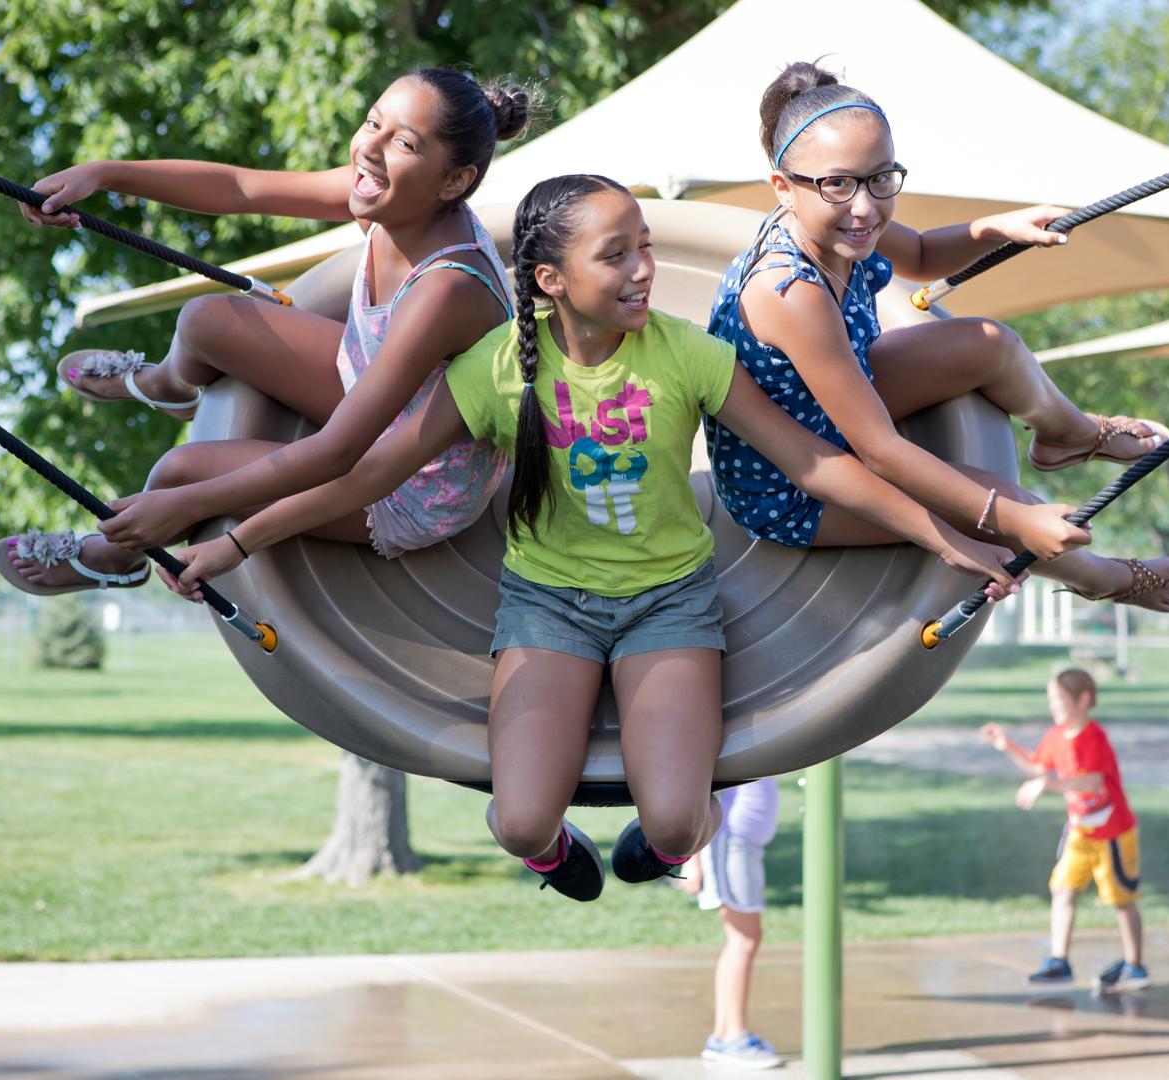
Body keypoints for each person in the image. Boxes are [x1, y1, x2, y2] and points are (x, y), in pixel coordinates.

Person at [157, 174, 1022, 901]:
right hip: (547, 607)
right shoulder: (495, 367)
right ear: (548, 280)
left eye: (645, 245)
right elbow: (363, 477)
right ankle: (551, 851)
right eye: (617, 255)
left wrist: (941, 534)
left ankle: (680, 840)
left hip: (670, 604)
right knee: (521, 819)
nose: (645, 269)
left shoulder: (684, 352)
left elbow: (816, 464)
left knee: (676, 821)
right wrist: (234, 547)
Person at [0, 69, 532, 592]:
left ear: (455, 180)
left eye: (404, 144)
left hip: (408, 483)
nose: (371, 147)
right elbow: (241, 188)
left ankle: (111, 559)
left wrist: (191, 505)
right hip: (373, 389)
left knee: (182, 472)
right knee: (205, 319)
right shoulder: (389, 197)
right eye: (373, 123)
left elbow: (340, 453)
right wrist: (105, 173)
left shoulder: (446, 288)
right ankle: (169, 388)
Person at [706, 61, 1169, 614]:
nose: (865, 206)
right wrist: (1013, 521)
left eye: (881, 179)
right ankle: (1105, 578)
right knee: (1010, 502)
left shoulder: (843, 216)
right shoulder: (790, 291)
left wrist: (998, 228)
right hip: (794, 486)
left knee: (990, 341)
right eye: (838, 184)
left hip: (829, 401)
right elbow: (879, 451)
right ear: (783, 188)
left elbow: (921, 254)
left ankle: (1067, 433)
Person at [981, 669, 1148, 993]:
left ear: (1083, 700)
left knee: (1121, 900)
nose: (1053, 706)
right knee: (1063, 890)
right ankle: (1060, 962)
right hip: (1079, 832)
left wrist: (1047, 784)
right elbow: (1037, 766)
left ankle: (1136, 966)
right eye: (1051, 700)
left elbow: (1091, 781)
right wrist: (1007, 745)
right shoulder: (1057, 735)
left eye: (1059, 699)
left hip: (1112, 832)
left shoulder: (1093, 737)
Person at [672, 777, 783, 1069]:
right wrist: (691, 857)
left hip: (741, 843)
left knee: (743, 939)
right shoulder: (729, 731)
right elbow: (701, 785)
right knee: (743, 940)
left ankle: (723, 1036)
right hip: (728, 841)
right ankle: (733, 1037)